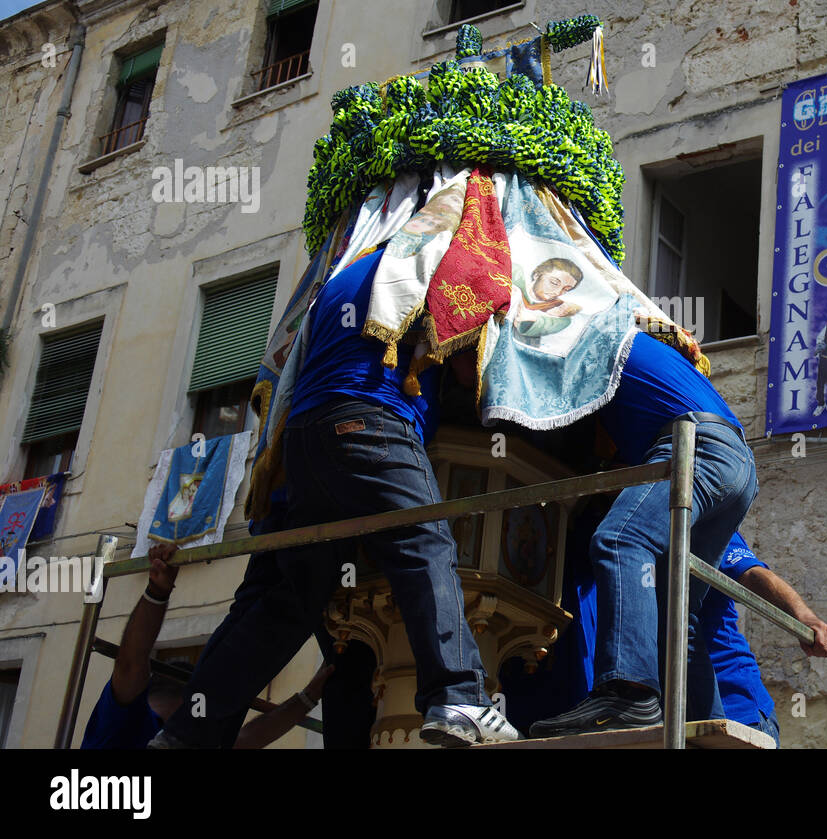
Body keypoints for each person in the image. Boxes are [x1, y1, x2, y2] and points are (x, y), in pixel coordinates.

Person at [151, 239, 515, 748]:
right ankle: (459, 697)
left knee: (284, 601)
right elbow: (473, 366)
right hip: (373, 420)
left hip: (303, 442)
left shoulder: (342, 271)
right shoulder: (436, 253)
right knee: (424, 544)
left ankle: (188, 735)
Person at [528, 330, 758, 736]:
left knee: (620, 540)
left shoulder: (588, 332)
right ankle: (702, 724)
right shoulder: (657, 367)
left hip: (694, 444)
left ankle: (627, 693)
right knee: (675, 603)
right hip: (736, 462)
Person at [82, 543, 333, 749]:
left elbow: (130, 665)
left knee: (270, 604)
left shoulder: (128, 726)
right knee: (268, 603)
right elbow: (244, 741)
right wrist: (309, 697)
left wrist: (157, 591)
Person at [699, 532, 827, 748]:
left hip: (736, 708)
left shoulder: (702, 522)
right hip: (678, 713)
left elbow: (753, 575)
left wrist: (805, 618)